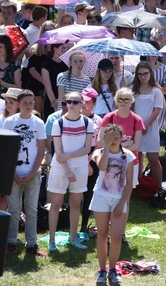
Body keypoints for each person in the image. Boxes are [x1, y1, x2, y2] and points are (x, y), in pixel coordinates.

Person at [48, 91, 96, 252]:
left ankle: (73, 238)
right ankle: (52, 241)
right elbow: (58, 152)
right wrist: (68, 170)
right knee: (56, 203)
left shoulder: (88, 123)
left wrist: (69, 157)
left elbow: (87, 148)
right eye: (68, 101)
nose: (71, 104)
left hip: (79, 166)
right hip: (61, 167)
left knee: (76, 204)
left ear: (82, 104)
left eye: (75, 101)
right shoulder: (58, 123)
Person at [3, 88, 47, 257]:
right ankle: (11, 242)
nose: (29, 105)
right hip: (13, 171)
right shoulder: (10, 122)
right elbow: (6, 149)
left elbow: (41, 150)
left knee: (31, 209)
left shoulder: (38, 123)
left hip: (32, 172)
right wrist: (12, 172)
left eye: (31, 102)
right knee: (13, 208)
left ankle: (32, 243)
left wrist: (32, 173)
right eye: (25, 103)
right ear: (18, 104)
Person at [91, 123, 135, 285]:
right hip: (101, 196)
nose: (114, 140)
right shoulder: (99, 152)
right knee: (102, 235)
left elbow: (129, 183)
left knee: (116, 237)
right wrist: (107, 147)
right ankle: (102, 270)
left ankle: (113, 269)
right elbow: (102, 167)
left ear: (122, 138)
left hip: (119, 199)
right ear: (104, 138)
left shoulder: (128, 155)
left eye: (116, 136)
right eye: (110, 137)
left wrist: (121, 203)